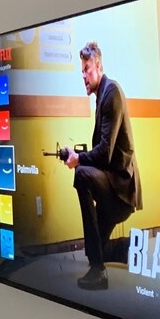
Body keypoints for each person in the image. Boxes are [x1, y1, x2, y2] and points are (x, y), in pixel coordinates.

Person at [64, 41, 142, 290]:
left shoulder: (111, 93)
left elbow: (105, 154)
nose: (84, 76)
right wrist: (77, 155)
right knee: (95, 248)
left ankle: (99, 272)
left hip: (121, 190)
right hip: (112, 184)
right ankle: (131, 248)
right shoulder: (102, 97)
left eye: (87, 69)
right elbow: (101, 151)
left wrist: (79, 159)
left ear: (98, 66)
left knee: (81, 174)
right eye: (82, 71)